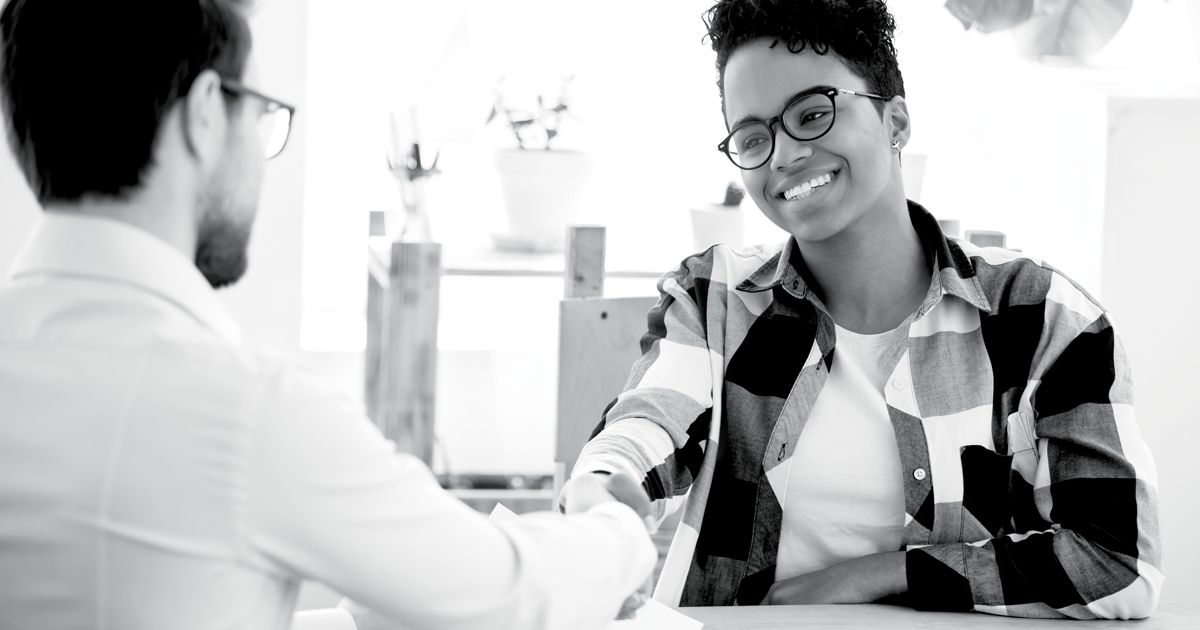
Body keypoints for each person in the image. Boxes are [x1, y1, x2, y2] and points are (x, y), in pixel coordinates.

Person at [0, 1, 655, 629]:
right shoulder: (246, 408)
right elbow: (506, 592)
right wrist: (618, 528)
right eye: (262, 114)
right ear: (205, 113)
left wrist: (348, 623)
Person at [559, 0, 1162, 619]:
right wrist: (601, 485)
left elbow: (1118, 563)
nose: (783, 155)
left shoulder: (1044, 317)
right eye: (754, 137)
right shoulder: (713, 298)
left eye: (813, 115)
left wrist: (879, 577)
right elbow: (649, 422)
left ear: (896, 120)